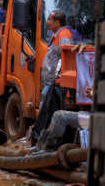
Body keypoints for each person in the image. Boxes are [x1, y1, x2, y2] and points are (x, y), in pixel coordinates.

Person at [31, 11, 72, 143]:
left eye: (49, 19)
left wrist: (56, 78)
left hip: (55, 83)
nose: (47, 22)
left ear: (57, 22)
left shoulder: (64, 35)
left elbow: (65, 58)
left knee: (46, 112)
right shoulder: (56, 34)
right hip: (50, 82)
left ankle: (42, 140)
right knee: (45, 111)